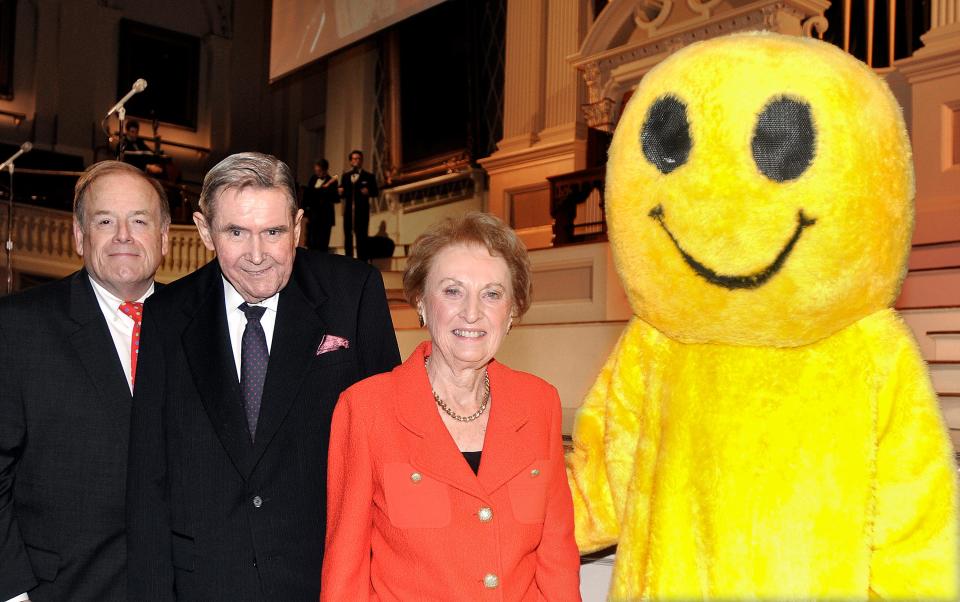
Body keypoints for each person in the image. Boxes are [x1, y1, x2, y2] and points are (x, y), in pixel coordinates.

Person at [126, 152, 401, 600]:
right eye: (236, 232)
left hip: (325, 579)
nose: (257, 256)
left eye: (273, 232)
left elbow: (391, 452)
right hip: (205, 582)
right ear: (204, 231)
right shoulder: (168, 315)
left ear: (297, 226)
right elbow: (148, 476)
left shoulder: (353, 293)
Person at [321, 211, 581, 601]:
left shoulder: (540, 402)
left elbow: (556, 555)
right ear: (422, 302)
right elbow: (346, 568)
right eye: (452, 291)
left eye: (492, 294)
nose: (472, 313)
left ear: (511, 312)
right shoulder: (365, 409)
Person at [0, 160, 170, 601]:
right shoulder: (18, 327)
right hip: (58, 590)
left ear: (165, 236)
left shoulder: (200, 326)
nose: (123, 236)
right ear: (79, 237)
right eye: (105, 221)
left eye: (139, 220)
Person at [337, 149, 378, 260]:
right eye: (354, 159)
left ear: (362, 161)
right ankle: (348, 261)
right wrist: (340, 192)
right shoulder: (345, 176)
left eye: (359, 159)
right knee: (348, 236)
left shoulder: (369, 176)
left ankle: (362, 262)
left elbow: (375, 192)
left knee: (361, 237)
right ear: (350, 161)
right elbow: (343, 193)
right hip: (349, 211)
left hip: (362, 211)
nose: (356, 161)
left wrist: (368, 192)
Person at [302, 159, 339, 252]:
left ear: (325, 170)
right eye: (316, 171)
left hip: (325, 217)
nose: (317, 173)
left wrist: (323, 191)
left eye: (319, 171)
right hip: (313, 216)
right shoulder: (313, 179)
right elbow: (307, 195)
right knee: (311, 243)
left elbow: (335, 198)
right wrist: (305, 211)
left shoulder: (332, 181)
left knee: (322, 244)